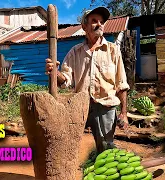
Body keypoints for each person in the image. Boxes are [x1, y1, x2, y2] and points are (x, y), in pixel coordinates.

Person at [45, 7, 130, 154]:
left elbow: (121, 84)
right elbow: (65, 80)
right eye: (94, 21)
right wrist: (55, 72)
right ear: (84, 27)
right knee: (70, 145)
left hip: (106, 107)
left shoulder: (112, 50)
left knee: (105, 148)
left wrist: (124, 113)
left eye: (101, 22)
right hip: (81, 106)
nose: (99, 24)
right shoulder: (75, 52)